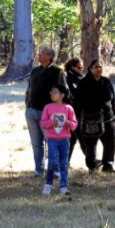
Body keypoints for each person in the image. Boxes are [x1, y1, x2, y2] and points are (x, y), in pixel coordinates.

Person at [24, 46, 68, 177]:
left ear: (49, 56)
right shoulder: (34, 71)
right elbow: (28, 89)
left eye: (41, 53)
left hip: (50, 113)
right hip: (32, 112)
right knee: (37, 143)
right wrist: (28, 105)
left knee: (53, 142)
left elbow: (64, 92)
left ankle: (55, 171)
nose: (38, 54)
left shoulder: (57, 72)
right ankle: (39, 170)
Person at [75, 58, 115, 173]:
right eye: (96, 67)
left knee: (110, 143)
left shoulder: (106, 81)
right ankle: (92, 166)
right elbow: (77, 102)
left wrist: (114, 115)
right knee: (90, 145)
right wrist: (78, 117)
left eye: (100, 67)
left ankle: (108, 165)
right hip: (90, 118)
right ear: (90, 69)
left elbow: (113, 100)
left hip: (107, 118)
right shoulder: (84, 83)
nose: (99, 69)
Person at [40, 86, 77, 197]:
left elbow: (74, 124)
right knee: (52, 162)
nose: (52, 94)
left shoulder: (68, 108)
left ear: (62, 95)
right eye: (52, 91)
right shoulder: (48, 107)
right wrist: (52, 122)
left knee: (64, 163)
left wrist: (70, 123)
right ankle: (48, 184)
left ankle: (63, 186)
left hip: (65, 139)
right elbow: (43, 123)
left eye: (55, 92)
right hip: (52, 139)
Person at [63, 57, 84, 164]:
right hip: (72, 113)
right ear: (72, 68)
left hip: (81, 112)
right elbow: (74, 95)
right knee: (81, 137)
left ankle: (65, 161)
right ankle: (92, 161)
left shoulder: (82, 78)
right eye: (79, 68)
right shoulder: (68, 80)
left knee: (72, 139)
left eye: (82, 67)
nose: (82, 70)